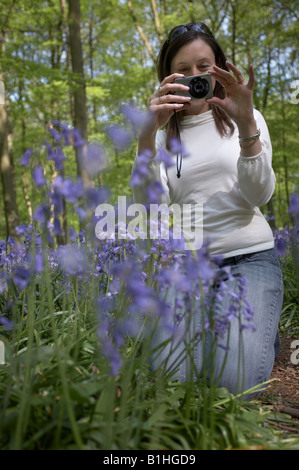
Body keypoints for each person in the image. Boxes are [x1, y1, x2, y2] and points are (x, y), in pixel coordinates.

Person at [131, 22, 283, 399]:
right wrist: (147, 136)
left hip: (249, 260)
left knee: (232, 389)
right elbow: (149, 207)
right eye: (182, 70)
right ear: (168, 77)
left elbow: (259, 194)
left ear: (219, 69)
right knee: (167, 382)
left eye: (203, 67)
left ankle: (255, 327)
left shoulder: (246, 117)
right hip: (187, 266)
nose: (194, 77)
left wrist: (246, 122)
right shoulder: (164, 135)